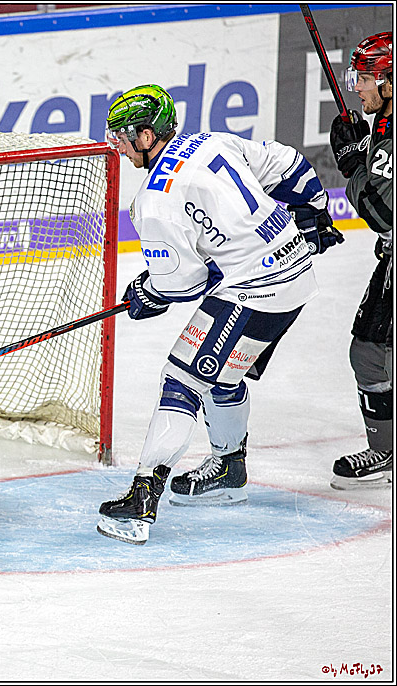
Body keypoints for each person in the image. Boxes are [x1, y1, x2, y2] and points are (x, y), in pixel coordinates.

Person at [98, 84, 340, 544]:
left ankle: (142, 496)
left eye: (125, 136)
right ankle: (228, 469)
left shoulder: (154, 201)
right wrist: (313, 214)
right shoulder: (212, 140)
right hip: (294, 277)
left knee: (183, 377)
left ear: (149, 135)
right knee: (221, 375)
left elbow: (183, 284)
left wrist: (148, 293)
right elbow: (289, 163)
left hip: (256, 290)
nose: (120, 146)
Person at [328, 31, 393, 490]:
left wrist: (352, 165)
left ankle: (386, 450)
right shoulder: (385, 129)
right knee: (372, 352)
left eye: (365, 79)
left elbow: (379, 211)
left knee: (369, 353)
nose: (357, 88)